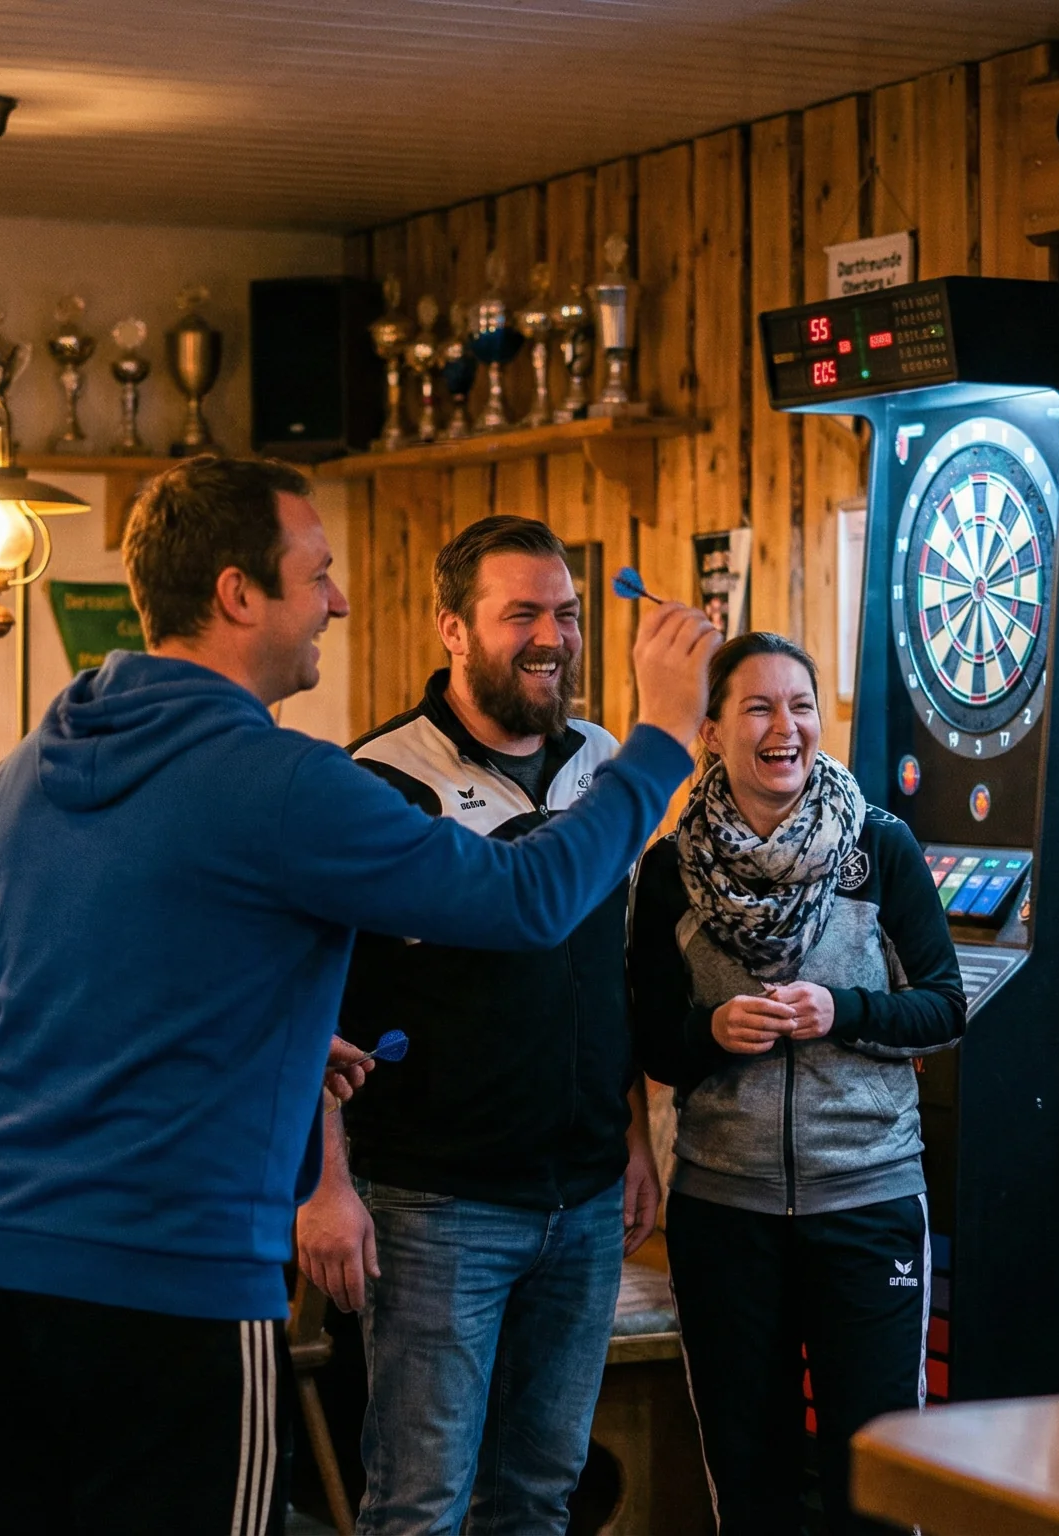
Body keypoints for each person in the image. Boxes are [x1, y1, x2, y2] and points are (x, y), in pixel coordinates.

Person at [0, 457, 719, 1534]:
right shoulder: (288, 782)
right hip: (177, 1289)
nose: (338, 601)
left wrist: (278, 1044)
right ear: (237, 595)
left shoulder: (21, 771)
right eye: (317, 573)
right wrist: (664, 734)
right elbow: (530, 899)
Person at [298, 515, 662, 1536]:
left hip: (585, 1198)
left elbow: (611, 972)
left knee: (539, 1499)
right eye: (522, 614)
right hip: (432, 1203)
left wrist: (632, 1136)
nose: (552, 636)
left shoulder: (604, 765)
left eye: (567, 613)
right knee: (419, 1504)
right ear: (451, 627)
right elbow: (318, 1001)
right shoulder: (377, 780)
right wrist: (326, 1183)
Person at [627, 632, 966, 1536]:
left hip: (868, 1199)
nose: (787, 727)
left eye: (802, 705)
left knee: (879, 1480)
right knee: (751, 1478)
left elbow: (943, 1008)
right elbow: (655, 1044)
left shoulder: (880, 846)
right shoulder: (668, 872)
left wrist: (842, 1009)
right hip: (723, 1210)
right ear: (709, 731)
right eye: (759, 707)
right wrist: (712, 1031)